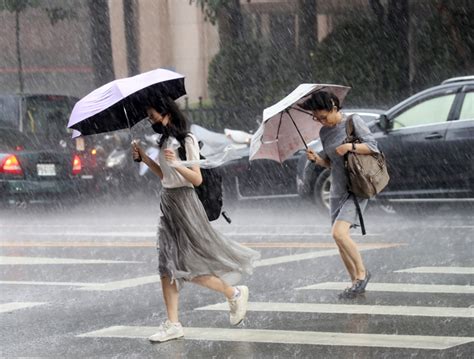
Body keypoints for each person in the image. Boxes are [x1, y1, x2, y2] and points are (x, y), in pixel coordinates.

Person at [132, 96, 260, 343]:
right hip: (168, 202)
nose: (150, 120)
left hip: (186, 203)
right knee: (166, 266)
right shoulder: (164, 141)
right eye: (148, 116)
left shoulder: (186, 139)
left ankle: (233, 293)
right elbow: (164, 176)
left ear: (166, 112)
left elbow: (196, 178)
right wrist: (145, 159)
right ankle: (173, 324)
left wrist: (178, 164)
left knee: (187, 266)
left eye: (152, 115)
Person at [300, 91, 379, 298]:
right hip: (337, 190)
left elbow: (373, 147)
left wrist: (350, 146)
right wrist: (316, 159)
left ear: (334, 107)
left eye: (323, 117)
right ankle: (354, 282)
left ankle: (363, 274)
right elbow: (331, 163)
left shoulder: (353, 122)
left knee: (339, 233)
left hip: (356, 187)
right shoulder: (324, 133)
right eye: (317, 119)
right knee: (339, 238)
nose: (321, 121)